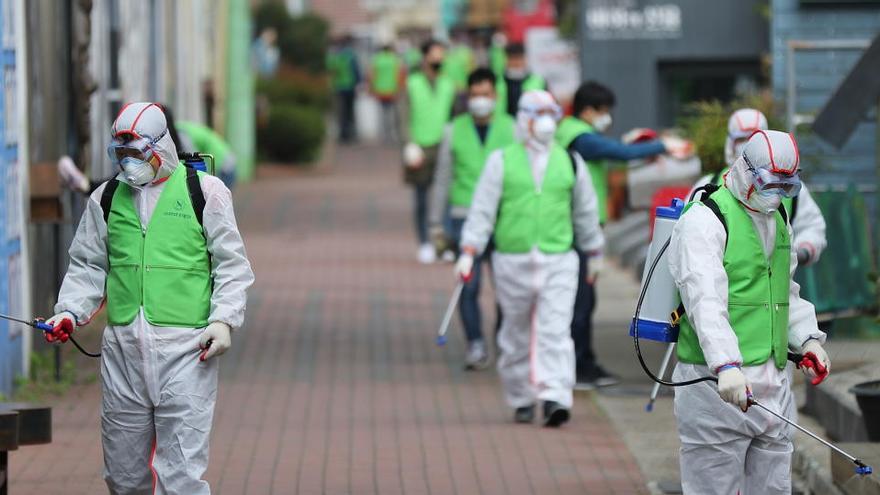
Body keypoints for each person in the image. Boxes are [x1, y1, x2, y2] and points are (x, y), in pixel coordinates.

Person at [44, 102, 254, 494]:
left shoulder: (205, 194)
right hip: (123, 354)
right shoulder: (105, 199)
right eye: (120, 155)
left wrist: (223, 321)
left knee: (182, 477)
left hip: (188, 352)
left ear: (161, 147)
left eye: (136, 154)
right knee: (124, 478)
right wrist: (69, 313)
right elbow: (88, 265)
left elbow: (231, 265)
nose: (128, 163)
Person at [669, 130, 830, 494]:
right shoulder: (704, 220)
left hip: (773, 384)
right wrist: (725, 365)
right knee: (714, 487)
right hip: (714, 387)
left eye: (786, 189)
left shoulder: (777, 217)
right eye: (770, 185)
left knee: (774, 487)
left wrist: (807, 340)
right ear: (745, 170)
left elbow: (784, 290)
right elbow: (704, 301)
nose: (776, 197)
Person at [458, 90, 604, 426]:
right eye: (538, 114)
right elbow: (482, 210)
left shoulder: (569, 161)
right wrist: (469, 250)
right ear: (523, 119)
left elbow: (585, 210)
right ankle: (521, 396)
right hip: (513, 258)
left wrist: (594, 250)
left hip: (558, 259)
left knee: (555, 330)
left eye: (550, 113)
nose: (545, 121)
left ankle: (555, 397)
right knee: (516, 332)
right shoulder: (502, 160)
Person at [555, 80, 684, 389]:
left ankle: (582, 363)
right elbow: (617, 152)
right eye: (603, 112)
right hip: (577, 231)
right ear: (588, 110)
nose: (606, 118)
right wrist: (663, 145)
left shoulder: (573, 132)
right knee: (580, 302)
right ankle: (578, 367)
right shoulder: (577, 137)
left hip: (582, 229)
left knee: (582, 300)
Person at [428, 68, 516, 370]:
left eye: (486, 94)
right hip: (463, 217)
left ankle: (504, 342)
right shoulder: (454, 129)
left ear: (496, 96)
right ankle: (475, 344)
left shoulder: (512, 128)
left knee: (506, 286)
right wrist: (435, 224)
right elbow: (442, 178)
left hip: (504, 218)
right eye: (475, 95)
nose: (481, 100)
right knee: (468, 284)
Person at [689, 108, 827, 266]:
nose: (748, 144)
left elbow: (812, 226)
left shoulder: (790, 187)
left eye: (755, 138)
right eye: (741, 139)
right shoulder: (708, 185)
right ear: (730, 144)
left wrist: (800, 252)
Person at [404, 39, 456, 264]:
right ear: (425, 56)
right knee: (421, 198)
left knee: (444, 199)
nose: (439, 59)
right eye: (435, 54)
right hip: (420, 147)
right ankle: (424, 242)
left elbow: (454, 115)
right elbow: (403, 115)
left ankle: (442, 244)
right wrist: (408, 143)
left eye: (441, 55)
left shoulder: (448, 84)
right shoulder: (412, 83)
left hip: (443, 146)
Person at [327, 34, 361, 143]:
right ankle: (351, 134)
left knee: (341, 112)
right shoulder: (351, 55)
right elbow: (356, 71)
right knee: (350, 111)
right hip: (350, 86)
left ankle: (343, 134)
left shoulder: (336, 55)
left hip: (339, 86)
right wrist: (358, 82)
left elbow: (331, 69)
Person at [496, 43, 546, 117]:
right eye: (512, 58)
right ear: (505, 59)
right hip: (503, 126)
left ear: (525, 59)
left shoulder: (538, 82)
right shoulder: (497, 82)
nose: (516, 63)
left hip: (530, 125)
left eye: (519, 58)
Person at [369, 44, 404, 144]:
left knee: (383, 113)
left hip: (380, 90)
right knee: (393, 113)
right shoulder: (395, 59)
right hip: (393, 90)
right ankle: (393, 135)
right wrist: (400, 89)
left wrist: (372, 88)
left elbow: (372, 75)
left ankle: (385, 135)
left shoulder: (377, 60)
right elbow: (400, 75)